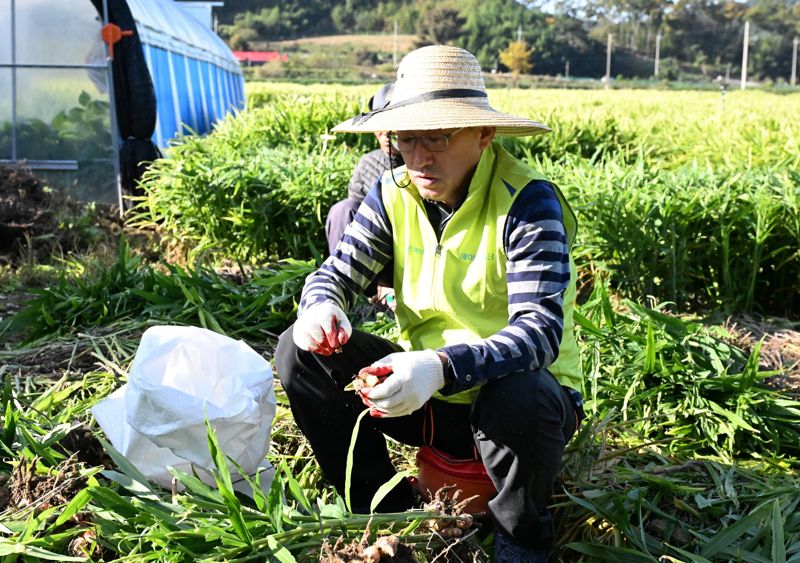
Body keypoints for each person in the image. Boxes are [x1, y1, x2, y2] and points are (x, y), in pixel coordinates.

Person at [276, 45, 584, 562]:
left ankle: (520, 539)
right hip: (427, 398)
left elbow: (539, 333)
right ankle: (383, 505)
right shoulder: (392, 191)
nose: (419, 156)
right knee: (298, 353)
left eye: (438, 137)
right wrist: (322, 305)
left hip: (510, 405)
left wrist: (441, 367)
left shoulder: (527, 201)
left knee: (521, 396)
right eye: (407, 138)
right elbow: (338, 271)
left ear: (484, 135)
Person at [325, 83, 404, 256]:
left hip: (411, 245)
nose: (386, 132)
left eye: (392, 124)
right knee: (343, 209)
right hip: (376, 246)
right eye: (380, 124)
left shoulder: (423, 161)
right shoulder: (368, 163)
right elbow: (354, 213)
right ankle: (343, 276)